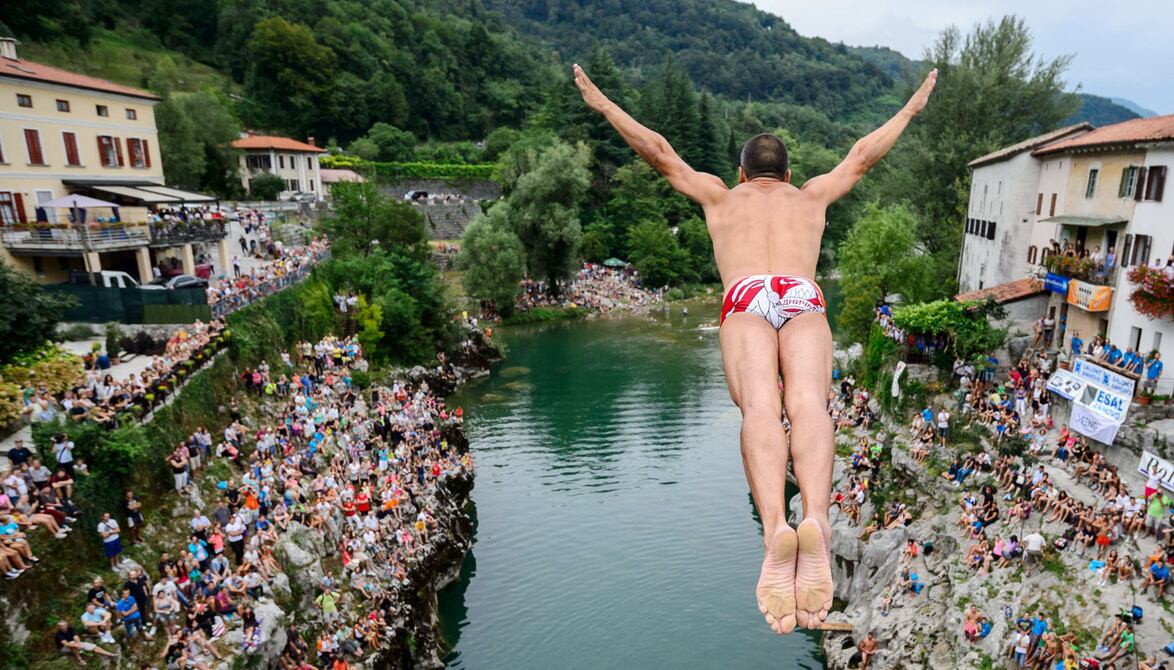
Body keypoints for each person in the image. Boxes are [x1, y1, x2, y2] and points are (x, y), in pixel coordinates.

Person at [574, 60, 938, 634]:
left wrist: (603, 104)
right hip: (800, 292)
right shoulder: (810, 197)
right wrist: (912, 108)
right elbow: (863, 155)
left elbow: (660, 151)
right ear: (788, 173)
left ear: (741, 174)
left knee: (761, 408)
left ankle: (775, 530)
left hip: (746, 296)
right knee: (809, 404)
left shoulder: (722, 198)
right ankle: (816, 518)